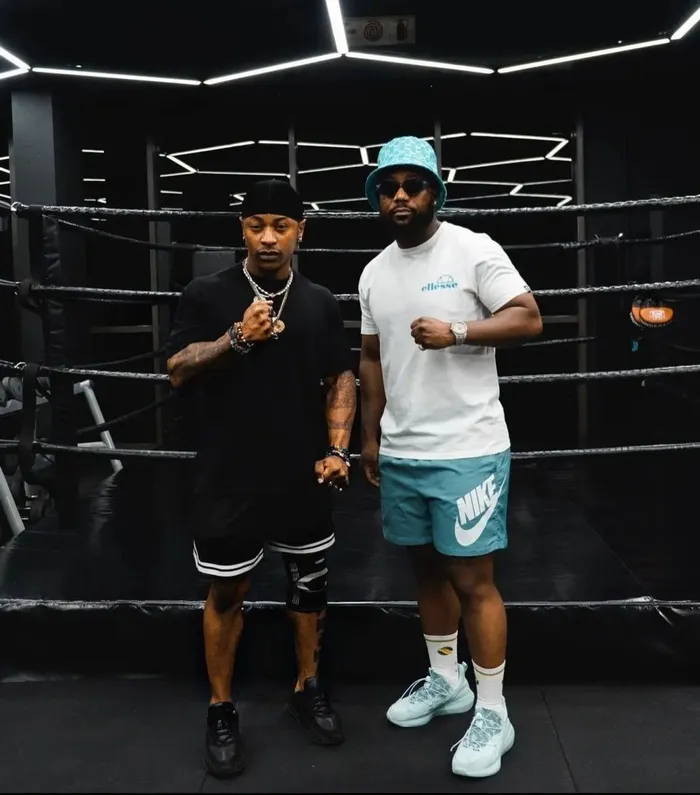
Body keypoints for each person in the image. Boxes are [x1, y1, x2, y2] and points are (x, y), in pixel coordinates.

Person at [358, 137, 543, 779]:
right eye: (389, 187)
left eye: (413, 184)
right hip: (403, 448)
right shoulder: (373, 272)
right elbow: (371, 356)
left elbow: (528, 318)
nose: (400, 196)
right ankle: (448, 680)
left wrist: (457, 331)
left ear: (435, 191)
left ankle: (494, 711)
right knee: (426, 573)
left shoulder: (472, 249)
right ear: (376, 197)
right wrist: (370, 435)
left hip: (467, 448)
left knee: (472, 581)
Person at [166, 179, 357, 779]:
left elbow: (340, 376)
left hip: (301, 471)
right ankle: (221, 708)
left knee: (309, 587)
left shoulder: (319, 301)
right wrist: (235, 338)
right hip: (229, 473)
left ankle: (307, 688)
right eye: (256, 226)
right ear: (242, 231)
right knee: (227, 593)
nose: (268, 238)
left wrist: (338, 448)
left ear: (301, 231)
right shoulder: (206, 293)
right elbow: (176, 370)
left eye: (281, 226)